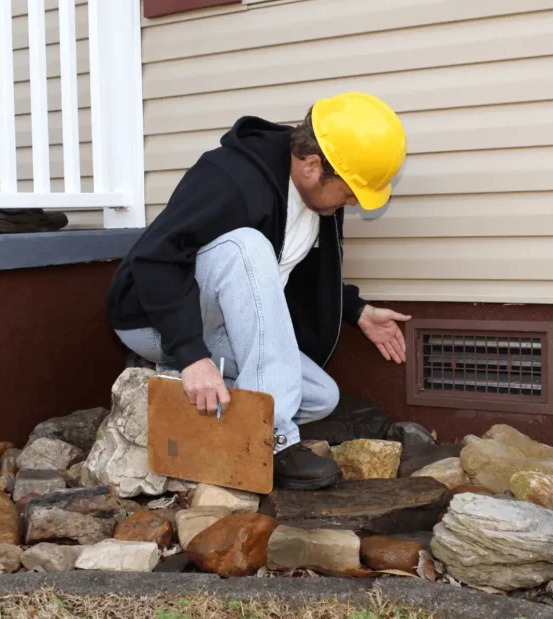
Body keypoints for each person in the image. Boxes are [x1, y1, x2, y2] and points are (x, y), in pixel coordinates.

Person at [105, 92, 411, 490]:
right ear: (312, 165)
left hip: (219, 326)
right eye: (351, 191)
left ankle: (170, 386)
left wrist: (355, 310)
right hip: (153, 320)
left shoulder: (316, 202)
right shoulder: (229, 176)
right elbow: (155, 260)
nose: (353, 202)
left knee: (321, 396)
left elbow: (292, 272)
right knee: (246, 246)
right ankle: (273, 441)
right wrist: (193, 356)